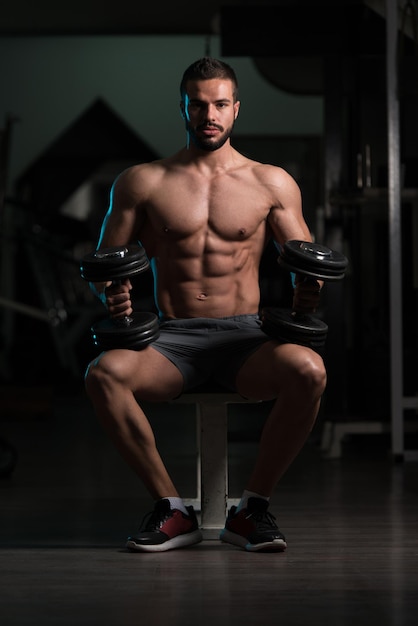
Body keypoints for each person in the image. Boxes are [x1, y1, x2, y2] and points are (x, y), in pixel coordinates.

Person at [84, 57, 326, 553]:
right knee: (103, 374)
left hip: (247, 340)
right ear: (183, 109)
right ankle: (172, 510)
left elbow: (309, 262)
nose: (209, 114)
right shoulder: (143, 181)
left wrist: (310, 289)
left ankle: (251, 509)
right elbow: (104, 265)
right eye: (198, 104)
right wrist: (111, 295)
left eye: (219, 104)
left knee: (309, 369)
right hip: (172, 342)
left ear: (236, 109)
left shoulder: (270, 182)